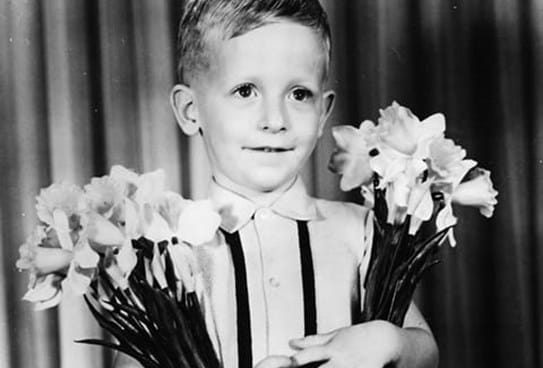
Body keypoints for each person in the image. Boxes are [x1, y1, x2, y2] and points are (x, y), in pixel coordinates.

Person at [117, 0, 438, 367]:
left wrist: (387, 341)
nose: (275, 119)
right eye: (245, 91)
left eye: (299, 94)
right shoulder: (165, 248)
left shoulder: (360, 230)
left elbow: (425, 350)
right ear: (191, 110)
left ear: (323, 114)